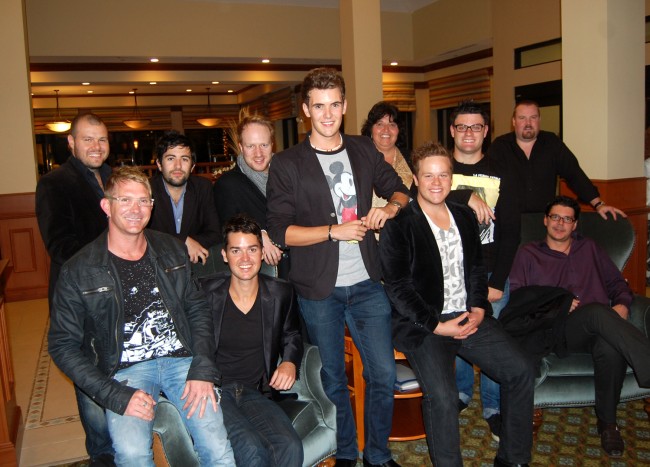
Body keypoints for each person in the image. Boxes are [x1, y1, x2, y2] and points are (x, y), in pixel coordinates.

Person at [267, 67, 409, 467]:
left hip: (367, 282)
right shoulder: (287, 163)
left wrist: (391, 208)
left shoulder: (364, 149)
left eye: (334, 105)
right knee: (333, 379)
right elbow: (280, 232)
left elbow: (400, 188)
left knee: (382, 375)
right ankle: (347, 452)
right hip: (318, 288)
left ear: (344, 106)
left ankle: (377, 456)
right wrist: (333, 230)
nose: (327, 114)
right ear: (305, 110)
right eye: (318, 106)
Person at [48, 166, 235, 466]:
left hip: (182, 360)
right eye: (125, 200)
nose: (136, 209)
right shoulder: (79, 270)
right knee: (132, 453)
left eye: (143, 201)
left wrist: (202, 368)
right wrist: (116, 396)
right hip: (125, 369)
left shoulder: (172, 250)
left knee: (217, 446)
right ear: (106, 205)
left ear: (152, 205)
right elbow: (62, 346)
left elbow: (197, 308)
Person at [380, 141, 534, 467]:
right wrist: (436, 325)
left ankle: (514, 459)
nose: (436, 183)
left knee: (520, 371)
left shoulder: (464, 216)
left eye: (443, 175)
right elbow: (398, 287)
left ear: (452, 179)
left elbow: (477, 268)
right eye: (428, 176)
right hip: (425, 324)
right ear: (417, 180)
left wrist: (478, 308)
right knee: (444, 398)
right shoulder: (400, 225)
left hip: (467, 315)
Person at [508, 195, 650, 458]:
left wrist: (622, 305)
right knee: (596, 311)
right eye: (555, 217)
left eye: (567, 219)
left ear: (575, 225)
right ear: (545, 221)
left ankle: (608, 423)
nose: (560, 224)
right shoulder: (528, 254)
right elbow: (517, 302)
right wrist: (557, 307)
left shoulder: (590, 249)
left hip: (600, 329)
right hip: (557, 332)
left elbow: (618, 285)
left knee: (609, 345)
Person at [35, 112, 114, 466]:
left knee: (119, 369)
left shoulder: (116, 178)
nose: (96, 146)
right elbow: (59, 246)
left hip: (118, 295)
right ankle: (101, 456)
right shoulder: (55, 183)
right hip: (79, 300)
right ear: (71, 142)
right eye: (87, 139)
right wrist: (111, 264)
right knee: (91, 379)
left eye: (102, 139)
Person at [199, 214, 303, 467]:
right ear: (224, 255)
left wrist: (289, 362)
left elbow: (292, 334)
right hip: (215, 392)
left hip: (256, 391)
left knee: (289, 446)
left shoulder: (281, 292)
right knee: (251, 450)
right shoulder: (203, 292)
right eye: (236, 250)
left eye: (252, 250)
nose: (245, 259)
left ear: (261, 252)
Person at [448, 100, 520, 440]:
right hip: (449, 273)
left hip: (489, 274)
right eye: (462, 126)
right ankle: (462, 392)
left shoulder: (502, 171)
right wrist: (464, 195)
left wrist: (499, 281)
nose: (468, 133)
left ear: (486, 131)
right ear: (452, 130)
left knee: (491, 343)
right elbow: (421, 196)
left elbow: (511, 233)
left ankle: (492, 406)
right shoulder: (440, 168)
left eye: (476, 127)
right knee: (459, 334)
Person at [488, 100, 625, 219]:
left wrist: (599, 204)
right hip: (507, 220)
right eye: (522, 118)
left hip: (543, 221)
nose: (528, 123)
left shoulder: (552, 143)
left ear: (539, 120)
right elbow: (485, 179)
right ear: (514, 121)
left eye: (533, 117)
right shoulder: (500, 146)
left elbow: (574, 174)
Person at [213, 112, 287, 276]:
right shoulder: (228, 184)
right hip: (256, 276)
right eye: (250, 146)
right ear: (240, 147)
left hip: (298, 270)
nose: (258, 153)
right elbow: (227, 231)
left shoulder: (287, 177)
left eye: (264, 145)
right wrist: (259, 234)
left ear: (272, 145)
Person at [148, 130, 221, 266]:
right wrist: (183, 241)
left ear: (192, 165)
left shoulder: (203, 187)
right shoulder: (146, 189)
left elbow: (215, 234)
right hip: (156, 268)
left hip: (195, 268)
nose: (178, 166)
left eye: (184, 159)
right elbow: (142, 235)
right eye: (170, 158)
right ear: (159, 164)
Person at [361, 101, 414, 205]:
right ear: (371, 129)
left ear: (398, 130)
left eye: (392, 124)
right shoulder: (359, 159)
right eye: (380, 124)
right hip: (367, 220)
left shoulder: (413, 159)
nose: (386, 130)